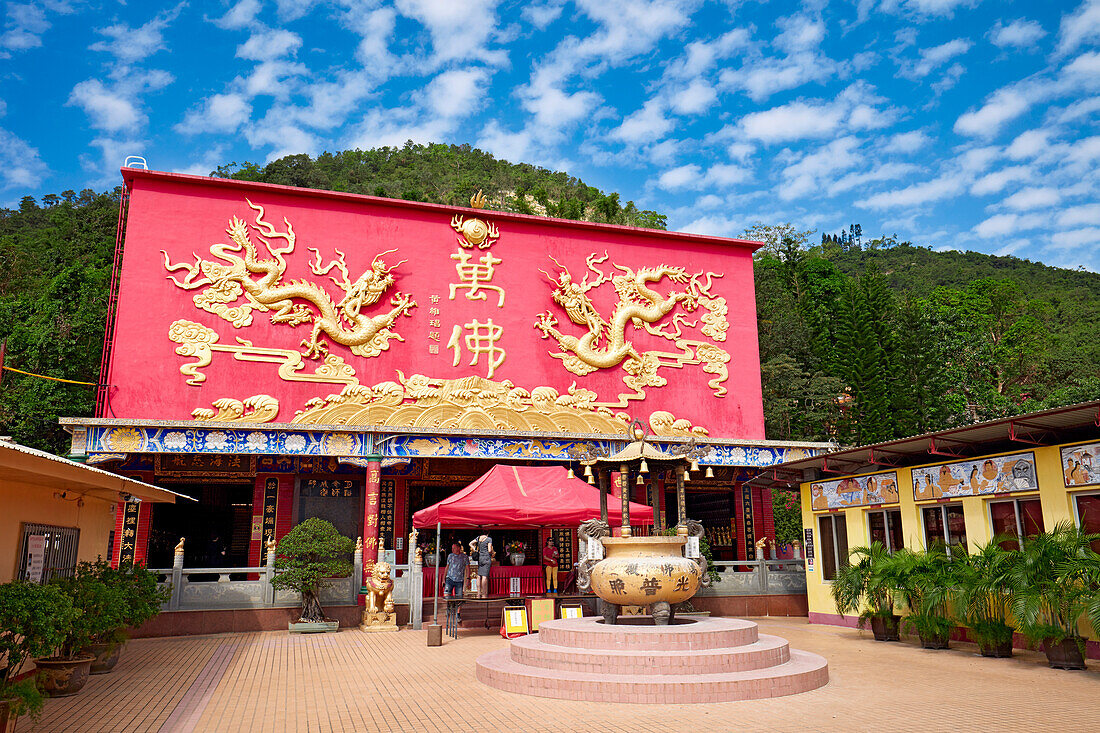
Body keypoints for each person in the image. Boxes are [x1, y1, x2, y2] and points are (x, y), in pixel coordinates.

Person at [470, 531, 492, 598]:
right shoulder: (489, 539)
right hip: (486, 558)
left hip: (480, 558)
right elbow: (489, 550)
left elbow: (470, 543)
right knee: (484, 576)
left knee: (479, 575)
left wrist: (475, 550)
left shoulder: (478, 538)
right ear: (488, 533)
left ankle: (478, 593)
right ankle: (484, 593)